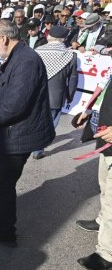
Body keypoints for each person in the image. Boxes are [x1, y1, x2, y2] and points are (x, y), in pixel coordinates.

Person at [0, 19, 55, 246]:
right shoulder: (14, 55)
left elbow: (14, 106)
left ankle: (6, 231)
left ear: (4, 39)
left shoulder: (26, 61)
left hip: (19, 134)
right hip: (8, 132)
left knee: (5, 181)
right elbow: (4, 93)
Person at [75, 69, 112, 270]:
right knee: (105, 187)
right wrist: (92, 112)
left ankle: (107, 254)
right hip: (106, 142)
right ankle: (103, 221)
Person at [32, 26, 78, 159]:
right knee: (50, 123)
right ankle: (38, 148)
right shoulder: (70, 55)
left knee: (36, 120)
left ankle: (33, 144)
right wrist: (69, 96)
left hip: (35, 94)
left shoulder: (37, 52)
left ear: (48, 37)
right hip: (56, 97)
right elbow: (73, 79)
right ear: (64, 39)